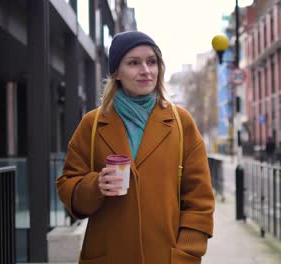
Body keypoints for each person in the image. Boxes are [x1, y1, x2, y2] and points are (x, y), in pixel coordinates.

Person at [56, 31, 215, 264]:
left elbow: (199, 200)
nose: (146, 70)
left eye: (152, 62)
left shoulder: (181, 123)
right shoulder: (92, 124)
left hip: (166, 257)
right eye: (133, 63)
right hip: (108, 256)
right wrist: (95, 185)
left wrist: (187, 253)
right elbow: (68, 187)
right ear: (116, 73)